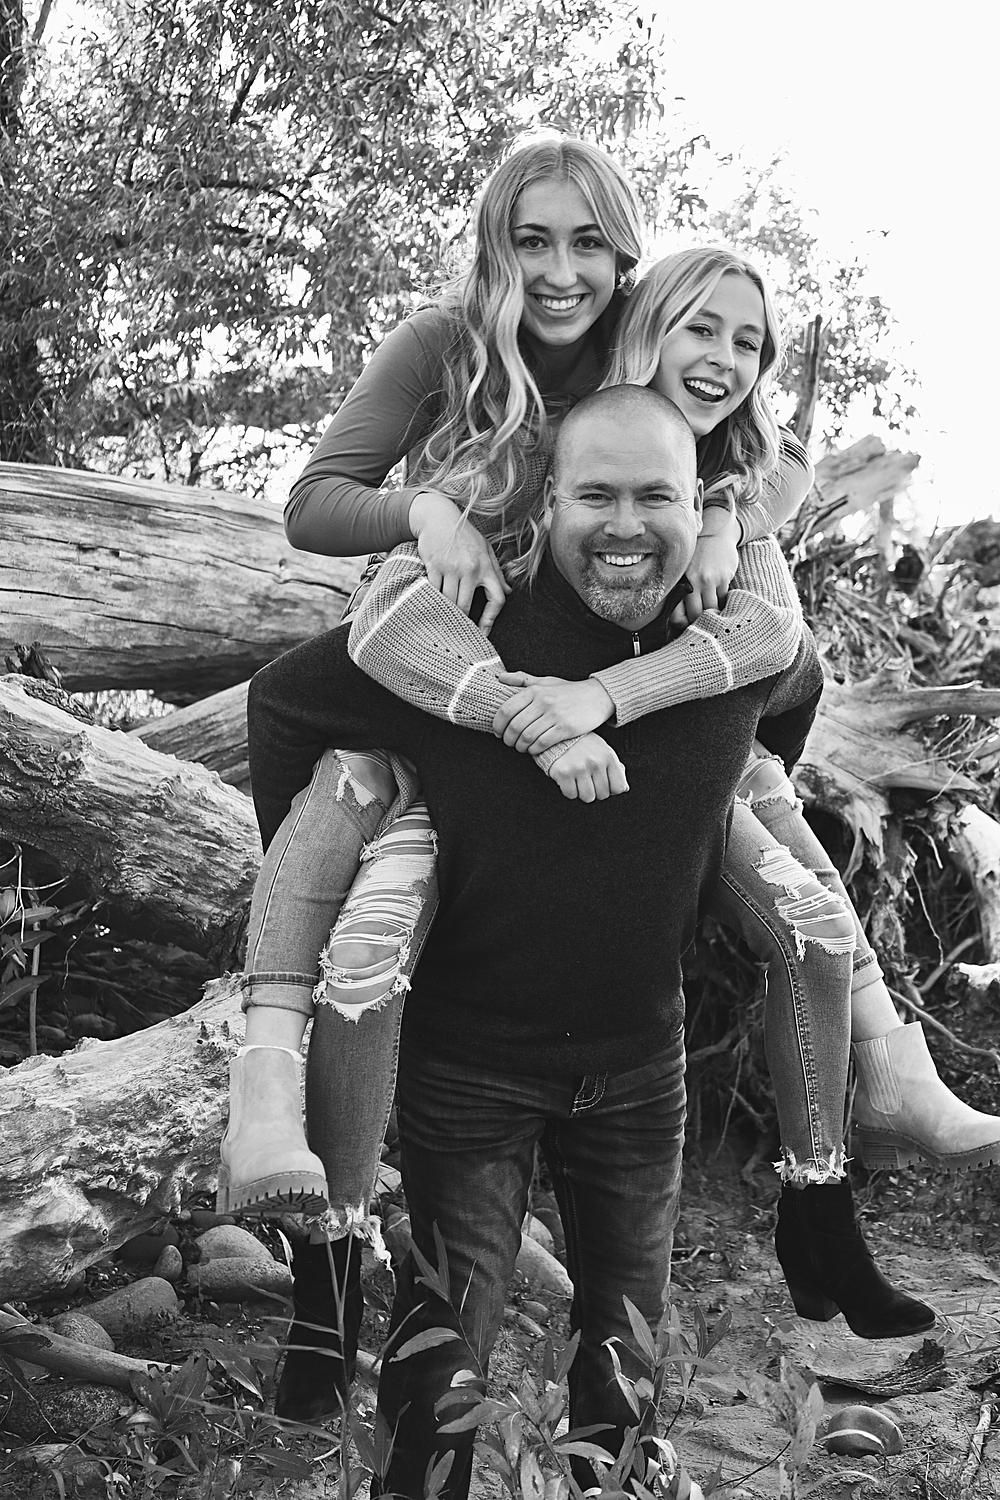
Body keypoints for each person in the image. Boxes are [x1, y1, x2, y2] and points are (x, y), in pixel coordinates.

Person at [220, 138, 810, 1222]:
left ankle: (856, 1044)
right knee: (327, 748)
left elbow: (767, 449)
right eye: (532, 241)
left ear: (624, 257)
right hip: (447, 627)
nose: (560, 272)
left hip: (592, 649)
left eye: (588, 244)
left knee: (763, 715)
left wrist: (728, 516)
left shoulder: (642, 339)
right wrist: (426, 511)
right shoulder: (443, 344)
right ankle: (271, 1085)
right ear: (495, 248)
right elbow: (313, 505)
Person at [250, 385, 820, 1500]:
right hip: (470, 1074)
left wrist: (707, 837)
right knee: (439, 1365)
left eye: (654, 497)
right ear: (546, 499)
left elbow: (793, 700)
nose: (624, 526)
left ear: (700, 505)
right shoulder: (467, 641)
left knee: (625, 1364)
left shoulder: (728, 648)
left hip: (642, 1070)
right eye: (594, 496)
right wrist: (326, 886)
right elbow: (283, 704)